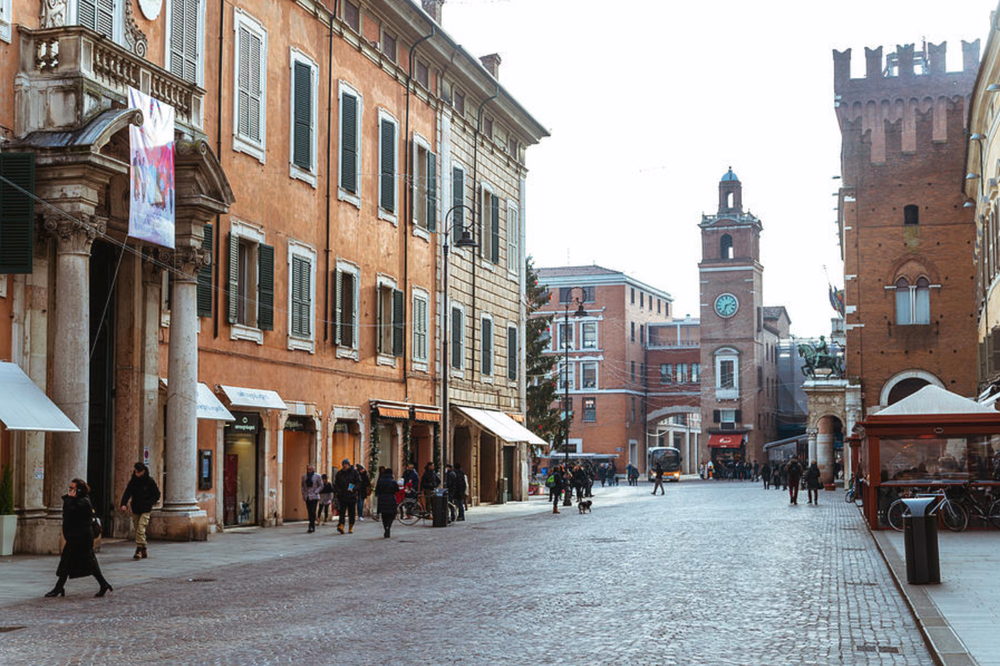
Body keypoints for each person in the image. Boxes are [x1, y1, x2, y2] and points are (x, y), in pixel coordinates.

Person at [47, 478, 112, 598]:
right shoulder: (77, 500)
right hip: (76, 537)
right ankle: (103, 584)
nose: (69, 490)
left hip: (81, 538)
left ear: (79, 490)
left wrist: (70, 499)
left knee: (77, 561)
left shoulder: (83, 502)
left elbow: (69, 512)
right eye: (69, 488)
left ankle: (59, 588)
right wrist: (70, 498)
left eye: (72, 488)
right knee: (72, 561)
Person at [119, 462, 160, 560]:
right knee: (138, 529)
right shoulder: (133, 481)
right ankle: (144, 547)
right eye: (135, 471)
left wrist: (150, 503)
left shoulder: (150, 481)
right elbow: (127, 492)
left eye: (137, 472)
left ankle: (138, 550)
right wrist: (123, 504)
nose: (136, 473)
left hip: (146, 509)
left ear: (143, 471)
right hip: (136, 508)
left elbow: (157, 494)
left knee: (141, 529)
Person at [334, 459, 361, 534]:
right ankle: (341, 525)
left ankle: (350, 527)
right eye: (343, 464)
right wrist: (339, 491)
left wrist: (354, 488)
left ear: (349, 465)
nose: (344, 465)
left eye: (346, 464)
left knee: (351, 513)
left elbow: (359, 483)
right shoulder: (339, 473)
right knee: (342, 512)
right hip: (342, 496)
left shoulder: (355, 472)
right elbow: (336, 484)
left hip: (352, 496)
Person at [375, 467, 398, 538]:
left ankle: (386, 527)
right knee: (391, 514)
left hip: (382, 499)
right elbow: (396, 490)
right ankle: (388, 526)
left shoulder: (381, 480)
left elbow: (377, 491)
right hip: (391, 499)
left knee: (384, 515)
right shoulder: (393, 481)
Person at [300, 464, 323, 533]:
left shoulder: (317, 476)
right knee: (309, 512)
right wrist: (303, 494)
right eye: (307, 469)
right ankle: (311, 525)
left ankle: (311, 526)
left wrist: (316, 491)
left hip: (314, 496)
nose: (309, 471)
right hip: (307, 496)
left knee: (313, 511)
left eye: (310, 469)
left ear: (313, 469)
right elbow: (302, 486)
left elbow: (321, 485)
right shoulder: (304, 476)